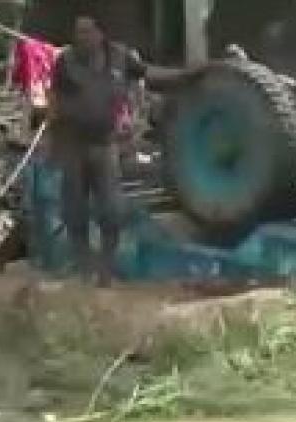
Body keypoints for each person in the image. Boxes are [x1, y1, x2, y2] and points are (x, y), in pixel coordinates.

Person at [48, 14, 200, 287]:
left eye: (86, 32)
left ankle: (106, 267)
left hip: (104, 144)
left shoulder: (119, 57)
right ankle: (83, 265)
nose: (80, 38)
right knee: (75, 209)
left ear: (100, 34)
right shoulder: (65, 61)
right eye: (77, 32)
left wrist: (188, 75)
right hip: (73, 144)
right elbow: (54, 98)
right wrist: (54, 139)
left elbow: (149, 73)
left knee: (111, 209)